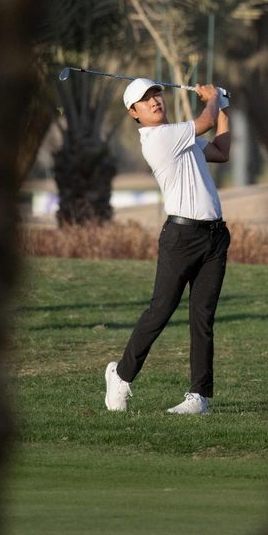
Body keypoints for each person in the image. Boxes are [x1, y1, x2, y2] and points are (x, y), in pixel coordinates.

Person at [104, 78, 231, 415]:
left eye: (155, 94)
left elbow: (221, 151)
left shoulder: (178, 136)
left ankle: (198, 398)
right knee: (161, 310)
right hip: (181, 238)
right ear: (134, 114)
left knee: (203, 316)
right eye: (145, 101)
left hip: (215, 236)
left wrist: (224, 109)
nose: (155, 101)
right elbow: (205, 122)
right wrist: (213, 99)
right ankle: (121, 375)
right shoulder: (158, 138)